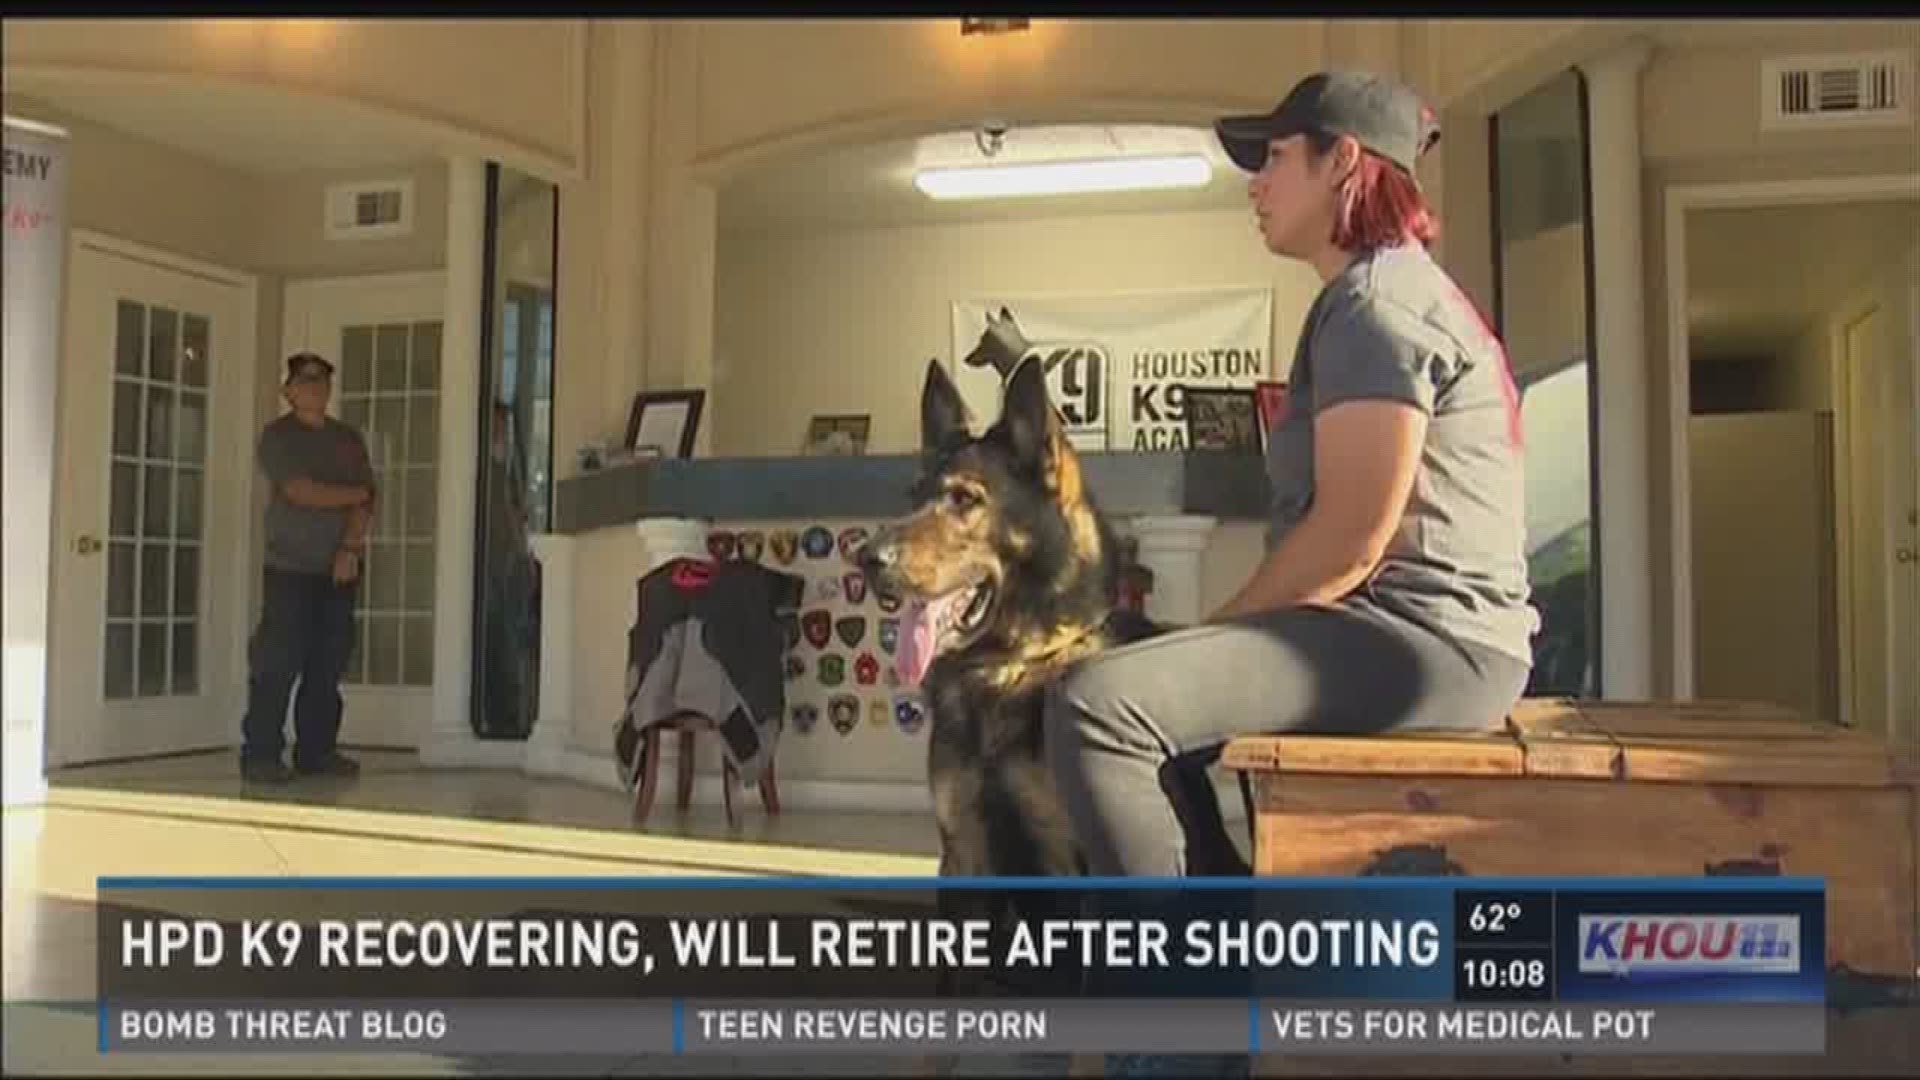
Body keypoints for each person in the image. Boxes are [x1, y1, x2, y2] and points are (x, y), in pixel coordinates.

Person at [1044, 71, 1539, 878]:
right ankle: (1223, 936)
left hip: (1427, 643)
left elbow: (1350, 540)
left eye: (1274, 157)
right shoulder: (1383, 294)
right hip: (1425, 638)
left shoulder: (1377, 307)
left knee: (1099, 705)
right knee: (1132, 661)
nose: (1255, 183)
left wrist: (1216, 633)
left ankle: (1172, 983)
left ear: (1343, 161)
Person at [240, 352, 375, 783]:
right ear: (289, 390)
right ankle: (261, 753)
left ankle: (317, 751)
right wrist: (350, 495)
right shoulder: (278, 437)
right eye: (305, 380)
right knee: (277, 662)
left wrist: (351, 546)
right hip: (289, 566)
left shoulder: (348, 439)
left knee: (328, 663)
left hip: (340, 567)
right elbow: (300, 491)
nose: (315, 387)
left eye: (322, 380)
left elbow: (368, 496)